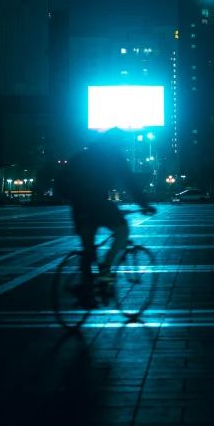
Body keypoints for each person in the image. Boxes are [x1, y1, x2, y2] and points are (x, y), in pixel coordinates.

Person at [57, 129, 156, 305]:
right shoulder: (114, 157)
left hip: (79, 208)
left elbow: (63, 178)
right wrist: (144, 204)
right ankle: (106, 266)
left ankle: (86, 290)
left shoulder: (85, 155)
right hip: (98, 205)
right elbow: (130, 182)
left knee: (88, 250)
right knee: (122, 230)